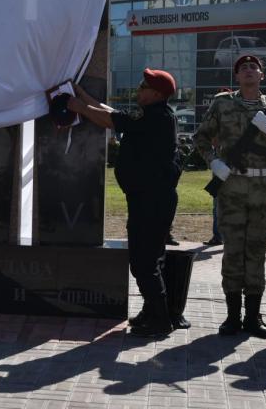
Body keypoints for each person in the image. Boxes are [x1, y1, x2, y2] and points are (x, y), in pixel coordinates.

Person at [68, 68, 181, 338]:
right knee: (144, 260)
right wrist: (83, 96)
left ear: (156, 94)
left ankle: (160, 319)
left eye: (143, 86)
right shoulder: (151, 114)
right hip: (145, 198)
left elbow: (110, 121)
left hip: (153, 200)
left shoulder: (158, 117)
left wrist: (78, 107)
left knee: (145, 262)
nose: (138, 89)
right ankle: (151, 311)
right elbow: (114, 115)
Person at [193, 55, 266, 339]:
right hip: (232, 186)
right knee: (233, 250)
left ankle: (253, 316)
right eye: (243, 68)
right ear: (237, 77)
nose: (249, 71)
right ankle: (232, 316)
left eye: (253, 67)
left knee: (257, 251)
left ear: (261, 75)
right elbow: (201, 137)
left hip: (262, 187)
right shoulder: (223, 103)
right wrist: (214, 162)